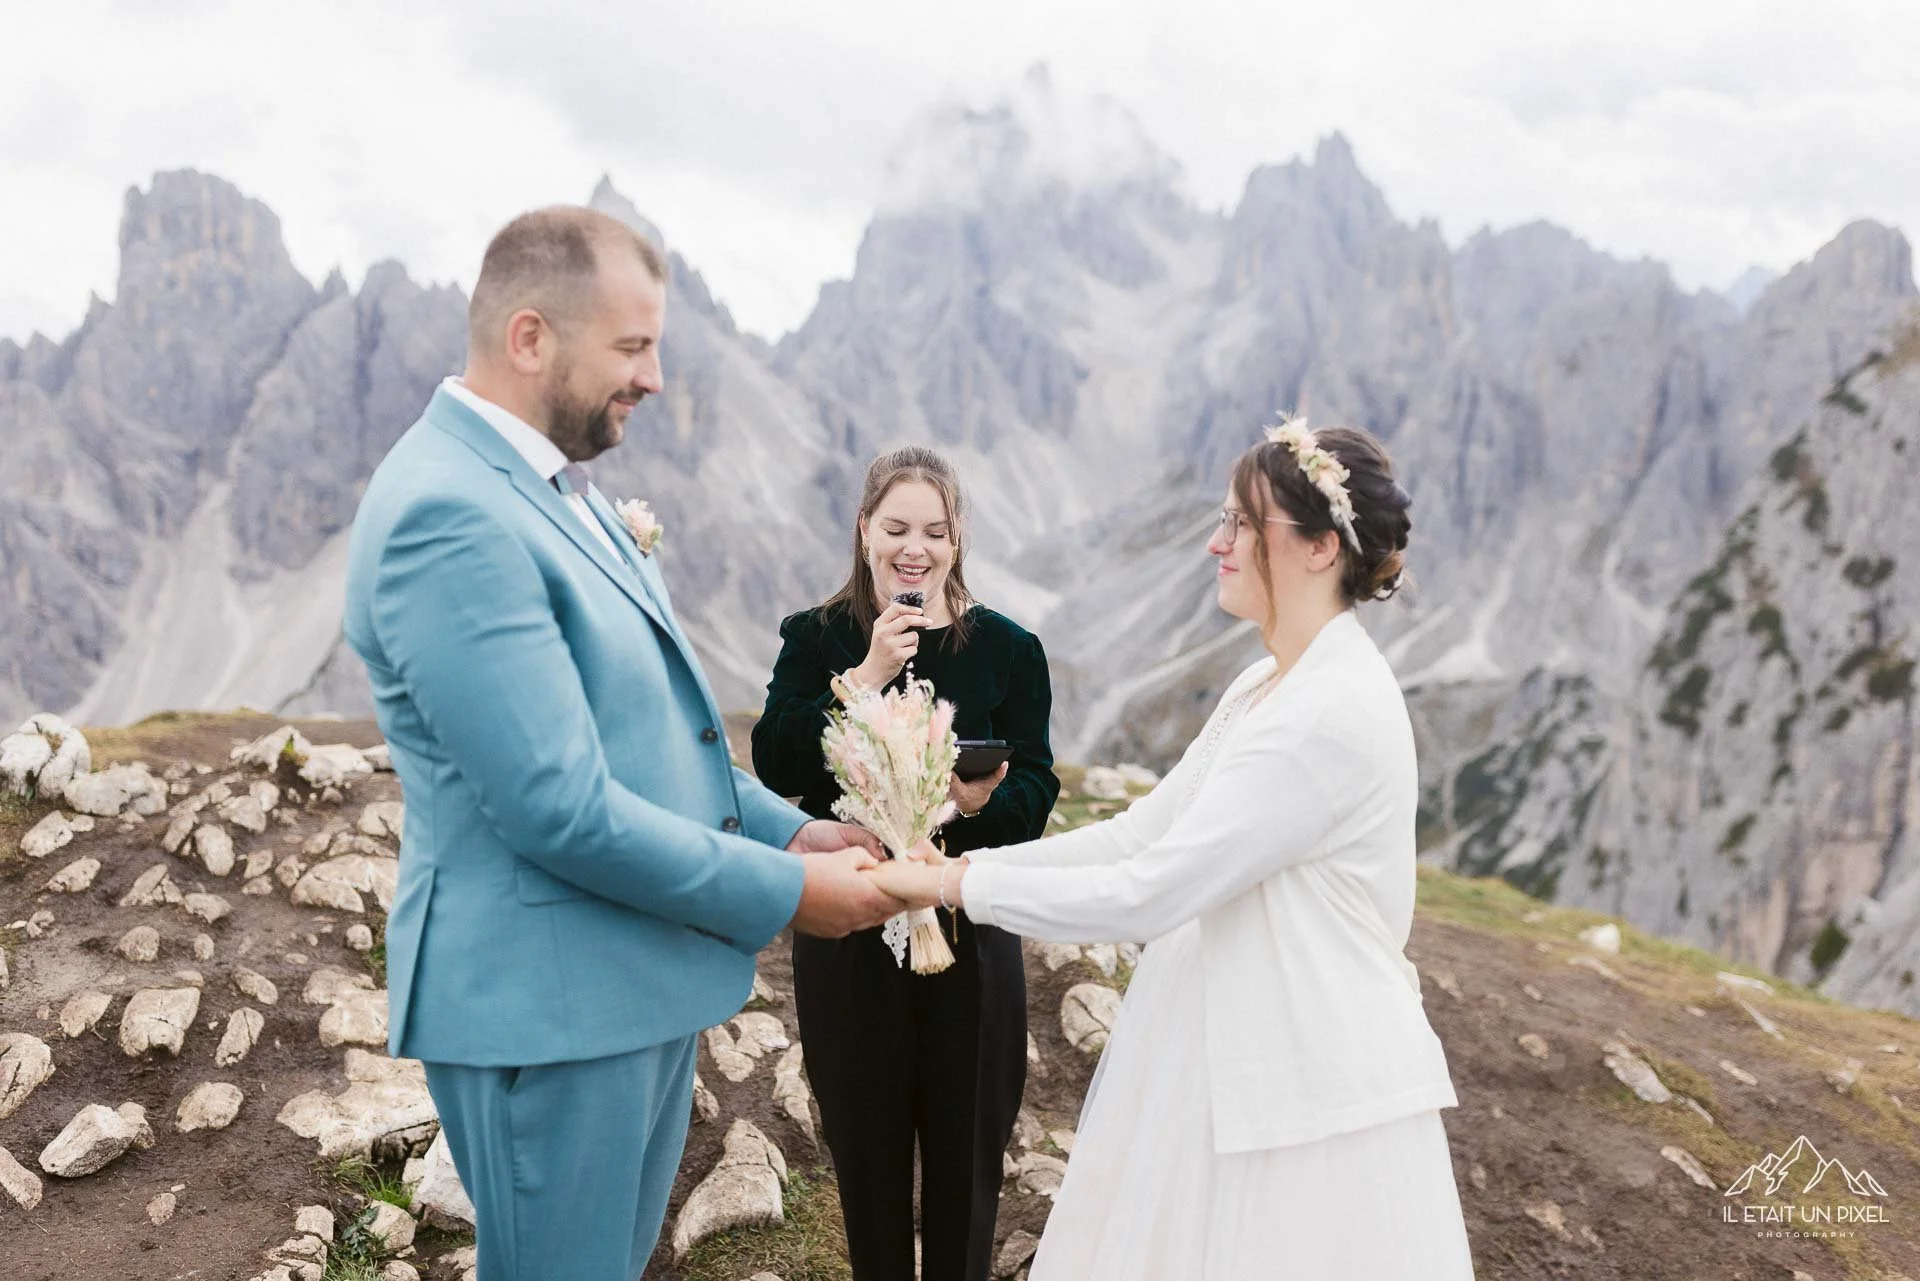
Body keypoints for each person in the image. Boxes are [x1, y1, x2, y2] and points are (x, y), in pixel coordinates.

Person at [341, 205, 900, 1281]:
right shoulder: (448, 515)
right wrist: (787, 897)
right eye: (633, 347)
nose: (654, 378)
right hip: (544, 1008)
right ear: (531, 338)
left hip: (618, 981)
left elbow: (648, 740)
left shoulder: (555, 489)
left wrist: (793, 833)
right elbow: (558, 805)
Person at [869, 421, 1474, 1279]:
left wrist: (960, 887)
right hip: (1234, 1044)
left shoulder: (1325, 713)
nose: (1215, 541)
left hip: (1309, 1093)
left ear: (1318, 547)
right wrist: (950, 871)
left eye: (1240, 524)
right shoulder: (1268, 682)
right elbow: (1144, 831)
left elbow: (1153, 889)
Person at [752, 446, 1060, 1281]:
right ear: (863, 531)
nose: (912, 547)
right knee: (867, 1154)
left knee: (967, 1160)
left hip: (969, 925)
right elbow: (779, 763)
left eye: (934, 530)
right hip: (848, 927)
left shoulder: (1008, 648)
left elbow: (1035, 784)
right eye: (895, 527)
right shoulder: (815, 638)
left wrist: (971, 806)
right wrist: (868, 672)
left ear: (957, 541)